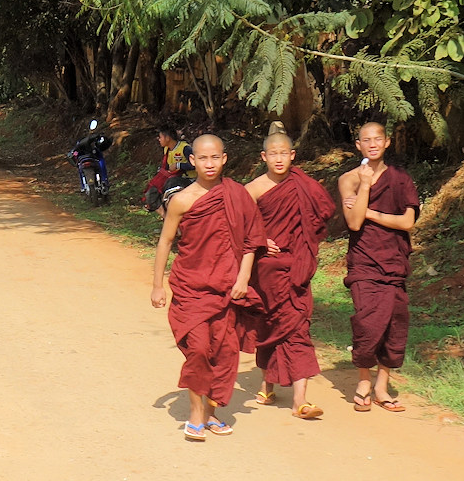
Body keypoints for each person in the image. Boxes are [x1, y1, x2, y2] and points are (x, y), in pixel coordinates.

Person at [151, 134, 266, 440]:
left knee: (224, 353)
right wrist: (157, 285)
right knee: (199, 350)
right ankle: (195, 412)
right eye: (203, 158)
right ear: (192, 160)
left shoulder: (237, 194)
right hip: (191, 287)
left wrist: (243, 278)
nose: (209, 164)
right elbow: (165, 241)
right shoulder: (182, 200)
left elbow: (251, 240)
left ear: (224, 159)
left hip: (227, 288)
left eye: (215, 157)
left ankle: (211, 413)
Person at [245, 131, 335, 419]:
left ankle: (300, 401)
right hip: (266, 270)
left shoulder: (304, 186)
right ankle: (267, 384)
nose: (279, 159)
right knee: (268, 324)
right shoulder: (253, 189)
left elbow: (323, 215)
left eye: (284, 153)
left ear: (292, 155)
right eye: (273, 154)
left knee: (298, 328)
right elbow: (237, 225)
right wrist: (260, 240)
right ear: (264, 157)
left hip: (296, 267)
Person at [337, 122, 419, 412]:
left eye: (377, 139)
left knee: (394, 325)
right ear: (358, 145)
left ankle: (382, 387)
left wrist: (369, 210)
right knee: (368, 322)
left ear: (387, 142)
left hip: (393, 261)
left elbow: (407, 222)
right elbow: (354, 222)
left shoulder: (400, 179)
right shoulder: (349, 179)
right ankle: (363, 381)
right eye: (366, 140)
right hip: (364, 261)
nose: (372, 144)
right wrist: (365, 184)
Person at [142, 126, 196, 218]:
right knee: (153, 189)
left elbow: (196, 165)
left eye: (160, 137)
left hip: (189, 180)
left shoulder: (184, 148)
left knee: (169, 185)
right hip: (174, 178)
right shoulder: (166, 150)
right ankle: (166, 217)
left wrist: (178, 165)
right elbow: (167, 167)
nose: (159, 139)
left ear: (167, 138)